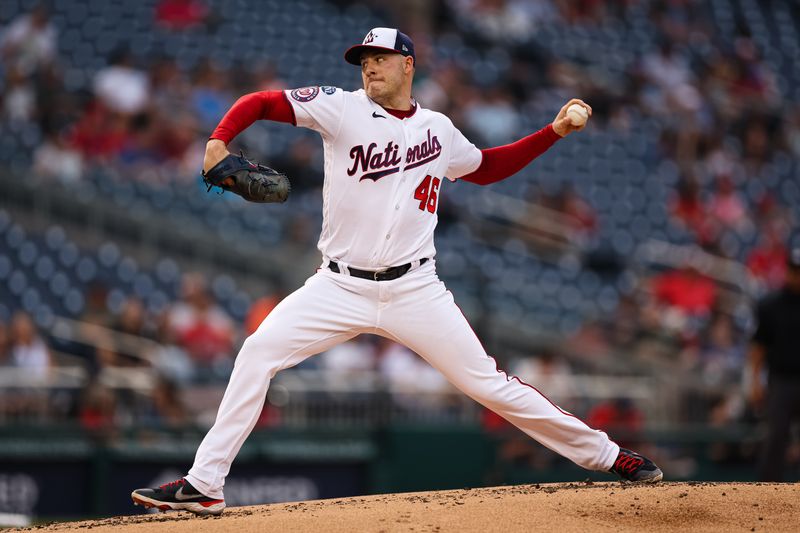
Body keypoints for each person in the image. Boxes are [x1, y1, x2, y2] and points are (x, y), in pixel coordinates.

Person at [132, 27, 662, 516]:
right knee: (257, 353)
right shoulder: (340, 108)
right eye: (364, 60)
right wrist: (219, 140)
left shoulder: (439, 128)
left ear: (408, 64)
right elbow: (262, 101)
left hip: (415, 288)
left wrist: (553, 131)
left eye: (380, 58)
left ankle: (609, 456)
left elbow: (488, 168)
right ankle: (204, 485)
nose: (369, 67)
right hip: (338, 284)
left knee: (490, 385)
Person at [748, 248, 800, 481]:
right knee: (776, 436)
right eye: (795, 271)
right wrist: (755, 382)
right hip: (781, 381)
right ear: (787, 271)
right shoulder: (771, 305)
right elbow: (759, 347)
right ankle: (768, 490)